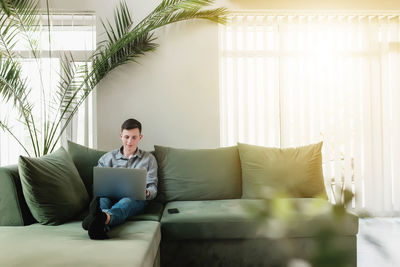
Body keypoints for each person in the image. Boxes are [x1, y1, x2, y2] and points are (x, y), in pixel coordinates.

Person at [82, 118, 158, 240]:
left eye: (134, 137)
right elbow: (98, 183)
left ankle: (101, 218)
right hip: (108, 196)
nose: (130, 141)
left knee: (126, 202)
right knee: (102, 199)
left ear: (140, 137)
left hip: (134, 199)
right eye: (127, 137)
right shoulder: (107, 158)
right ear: (121, 136)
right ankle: (100, 226)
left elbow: (153, 187)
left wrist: (146, 192)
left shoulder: (149, 159)